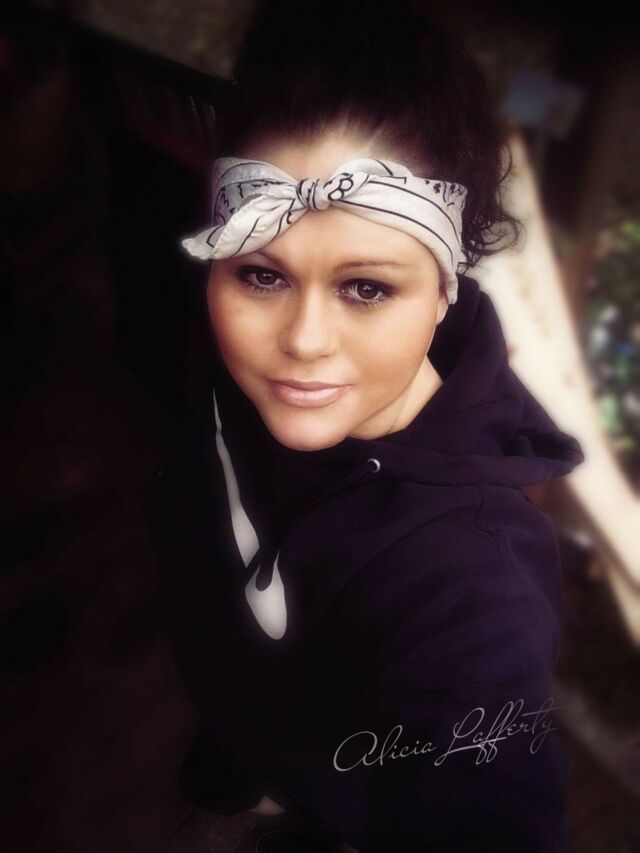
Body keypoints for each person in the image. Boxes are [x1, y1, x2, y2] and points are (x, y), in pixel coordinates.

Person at [144, 1, 584, 850]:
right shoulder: (239, 356)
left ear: (446, 289)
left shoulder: (470, 584)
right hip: (246, 702)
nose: (303, 341)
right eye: (262, 275)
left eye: (367, 287)